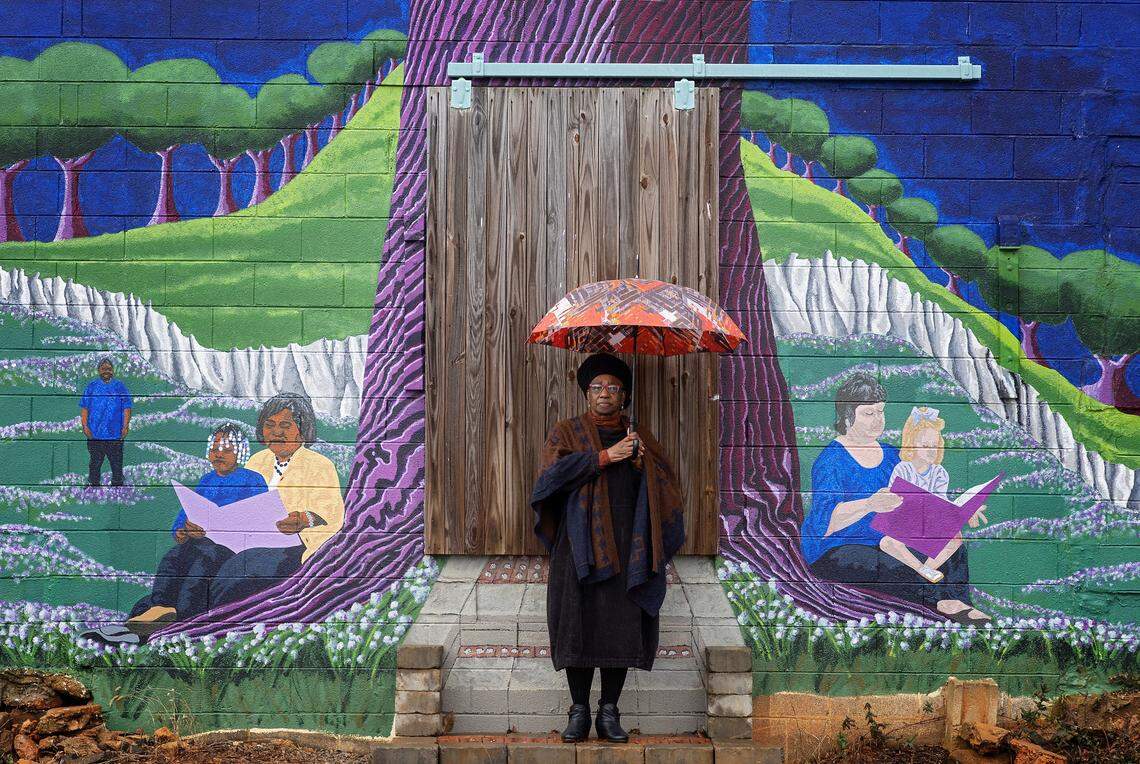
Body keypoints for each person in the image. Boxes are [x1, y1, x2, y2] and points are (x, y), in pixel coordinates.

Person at [531, 353, 686, 743]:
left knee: (621, 627)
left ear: (624, 396)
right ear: (586, 393)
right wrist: (604, 457)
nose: (604, 393)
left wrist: (642, 468)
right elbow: (548, 480)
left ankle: (609, 713)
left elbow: (666, 489)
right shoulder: (566, 433)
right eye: (597, 387)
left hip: (628, 545)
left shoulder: (637, 436)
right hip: (578, 547)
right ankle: (579, 712)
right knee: (576, 625)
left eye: (613, 388)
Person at [799, 373, 990, 625]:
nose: (878, 420)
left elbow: (923, 497)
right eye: (869, 413)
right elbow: (826, 524)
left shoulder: (893, 455)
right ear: (847, 415)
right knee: (886, 564)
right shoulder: (831, 461)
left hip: (889, 538)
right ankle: (941, 602)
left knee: (952, 545)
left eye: (881, 411)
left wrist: (959, 513)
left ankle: (961, 602)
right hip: (838, 546)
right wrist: (869, 504)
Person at [81, 423, 269, 644]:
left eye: (227, 450)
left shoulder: (252, 480)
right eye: (214, 449)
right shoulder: (207, 480)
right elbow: (187, 512)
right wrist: (182, 530)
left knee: (199, 569)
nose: (219, 455)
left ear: (240, 453)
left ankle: (174, 618)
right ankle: (158, 608)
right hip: (199, 541)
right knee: (172, 558)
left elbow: (258, 516)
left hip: (228, 548)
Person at [208, 392, 345, 608]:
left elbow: (331, 514)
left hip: (293, 545)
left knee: (238, 570)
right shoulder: (257, 461)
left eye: (285, 426)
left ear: (302, 430)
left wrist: (303, 519)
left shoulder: (320, 465)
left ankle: (213, 616)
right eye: (270, 425)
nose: (276, 432)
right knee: (193, 554)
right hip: (251, 538)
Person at [880, 406, 988, 583]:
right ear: (912, 445)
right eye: (925, 446)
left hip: (928, 522)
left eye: (935, 445)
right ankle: (919, 568)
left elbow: (941, 503)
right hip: (906, 521)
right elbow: (894, 501)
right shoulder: (903, 469)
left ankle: (927, 568)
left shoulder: (940, 473)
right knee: (888, 542)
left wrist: (965, 511)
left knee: (956, 538)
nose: (932, 450)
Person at [79, 357, 132, 487]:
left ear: (112, 370)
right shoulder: (92, 386)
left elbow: (127, 407)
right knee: (95, 462)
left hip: (115, 433)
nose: (106, 371)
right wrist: (85, 426)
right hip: (95, 434)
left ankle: (117, 484)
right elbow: (85, 407)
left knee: (116, 462)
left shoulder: (120, 386)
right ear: (99, 371)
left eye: (109, 369)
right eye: (103, 369)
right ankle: (93, 484)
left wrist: (125, 426)